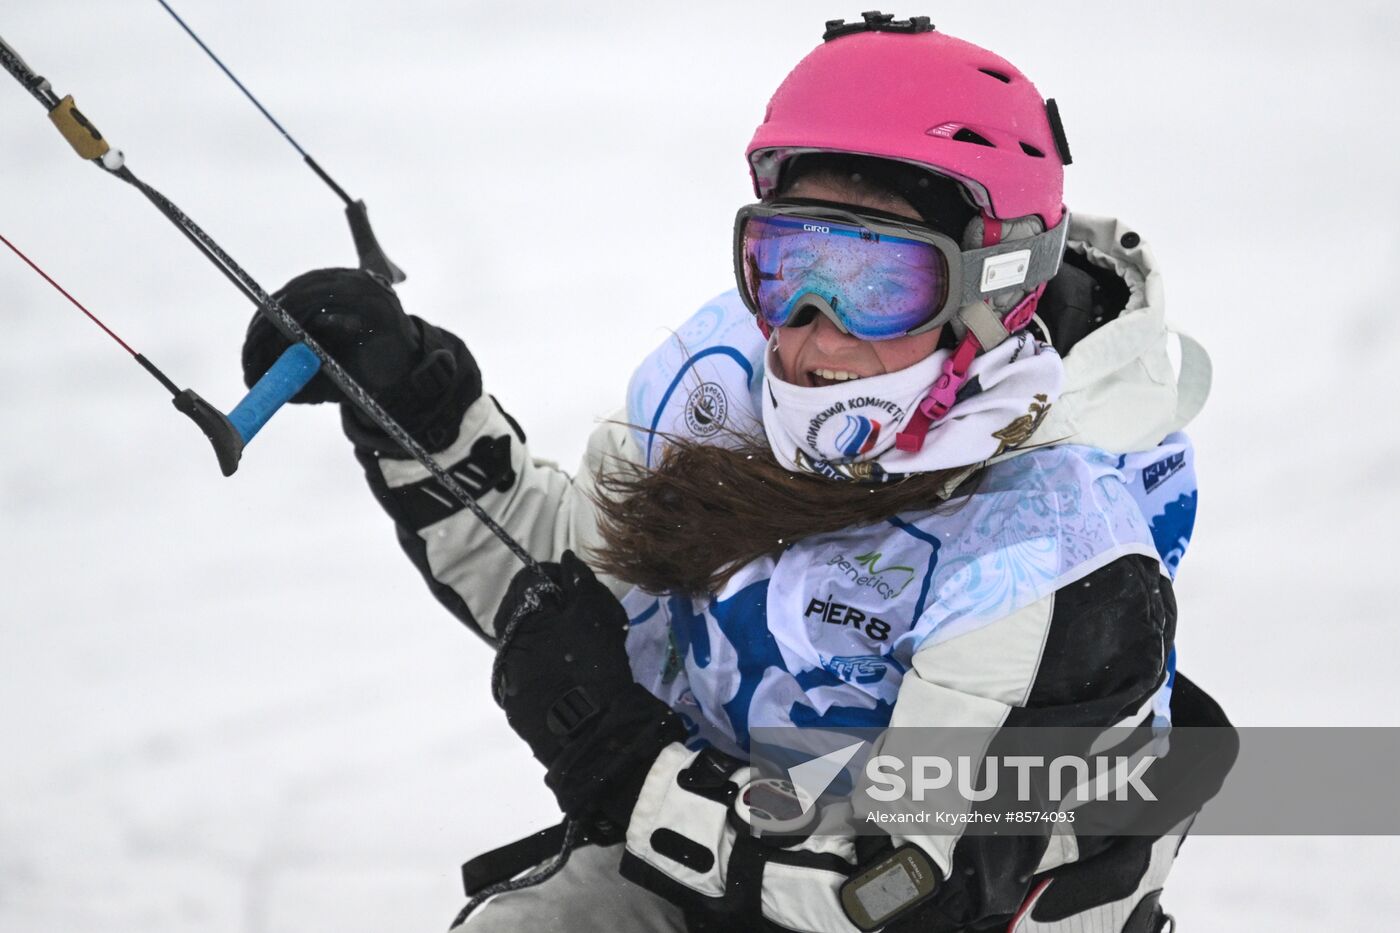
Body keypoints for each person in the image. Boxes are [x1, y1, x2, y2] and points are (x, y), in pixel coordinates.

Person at [241, 12, 1231, 932]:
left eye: (879, 282)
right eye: (785, 263)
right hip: (716, 856)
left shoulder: (1055, 557)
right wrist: (419, 412)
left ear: (993, 288)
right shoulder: (719, 386)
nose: (815, 335)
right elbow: (573, 594)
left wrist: (629, 774)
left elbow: (901, 893)